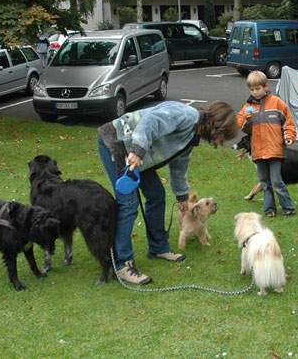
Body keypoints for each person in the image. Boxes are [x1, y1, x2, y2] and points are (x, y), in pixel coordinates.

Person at [97, 100, 239, 285]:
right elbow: (151, 122)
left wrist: (181, 197)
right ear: (218, 127)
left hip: (138, 154)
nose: (221, 143)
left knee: (156, 194)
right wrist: (138, 150)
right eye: (223, 138)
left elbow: (179, 167)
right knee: (128, 204)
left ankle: (158, 247)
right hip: (116, 143)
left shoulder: (192, 136)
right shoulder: (185, 115)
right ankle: (123, 265)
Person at [236, 70, 297, 217]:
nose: (255, 92)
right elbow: (242, 125)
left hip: (275, 150)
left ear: (265, 86)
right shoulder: (248, 107)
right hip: (258, 151)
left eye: (258, 89)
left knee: (276, 181)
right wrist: (247, 120)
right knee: (264, 182)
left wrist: (289, 135)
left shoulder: (277, 102)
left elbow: (289, 121)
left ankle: (288, 207)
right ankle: (269, 209)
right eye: (252, 89)